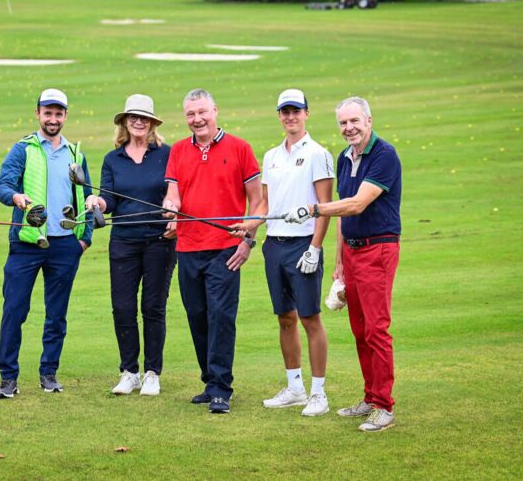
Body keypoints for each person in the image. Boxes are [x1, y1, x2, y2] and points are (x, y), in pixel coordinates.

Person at [283, 96, 401, 432]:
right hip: (353, 251)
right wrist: (339, 262)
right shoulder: (345, 156)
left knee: (376, 329)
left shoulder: (384, 155)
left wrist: (314, 209)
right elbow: (343, 214)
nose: (349, 128)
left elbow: (357, 204)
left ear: (368, 121)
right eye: (343, 123)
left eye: (354, 121)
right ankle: (370, 396)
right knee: (360, 329)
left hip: (378, 249)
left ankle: (384, 406)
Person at [231, 89, 334, 416]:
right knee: (285, 317)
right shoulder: (271, 156)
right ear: (279, 115)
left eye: (296, 111)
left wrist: (315, 248)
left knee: (310, 317)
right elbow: (265, 204)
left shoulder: (318, 154)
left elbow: (325, 207)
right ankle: (295, 388)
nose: (290, 117)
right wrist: (249, 225)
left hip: (303, 244)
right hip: (275, 245)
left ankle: (318, 393)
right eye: (285, 112)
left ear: (306, 114)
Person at [162, 89, 262, 414]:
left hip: (225, 250)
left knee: (221, 317)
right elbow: (173, 194)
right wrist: (170, 206)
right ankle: (210, 381)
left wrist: (248, 240)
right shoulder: (178, 150)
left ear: (215, 111)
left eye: (202, 112)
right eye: (191, 114)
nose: (197, 119)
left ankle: (221, 388)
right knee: (197, 316)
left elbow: (258, 202)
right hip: (188, 248)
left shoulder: (240, 148)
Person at [0, 88, 93, 397]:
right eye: (47, 112)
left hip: (65, 245)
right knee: (15, 309)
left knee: (56, 314)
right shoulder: (22, 149)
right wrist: (15, 197)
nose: (53, 118)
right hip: (27, 242)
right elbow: (3, 185)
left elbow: (87, 198)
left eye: (58, 113)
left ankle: (49, 373)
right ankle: (8, 377)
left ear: (65, 116)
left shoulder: (76, 154)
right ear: (37, 113)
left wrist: (84, 239)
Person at [86, 94, 177, 396]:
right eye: (133, 117)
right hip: (124, 241)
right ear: (125, 122)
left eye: (144, 118)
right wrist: (97, 202)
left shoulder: (167, 154)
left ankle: (152, 372)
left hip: (159, 241)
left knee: (153, 306)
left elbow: (177, 194)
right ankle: (129, 371)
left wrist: (175, 213)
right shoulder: (113, 159)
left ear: (152, 123)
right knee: (123, 307)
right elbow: (109, 200)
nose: (139, 122)